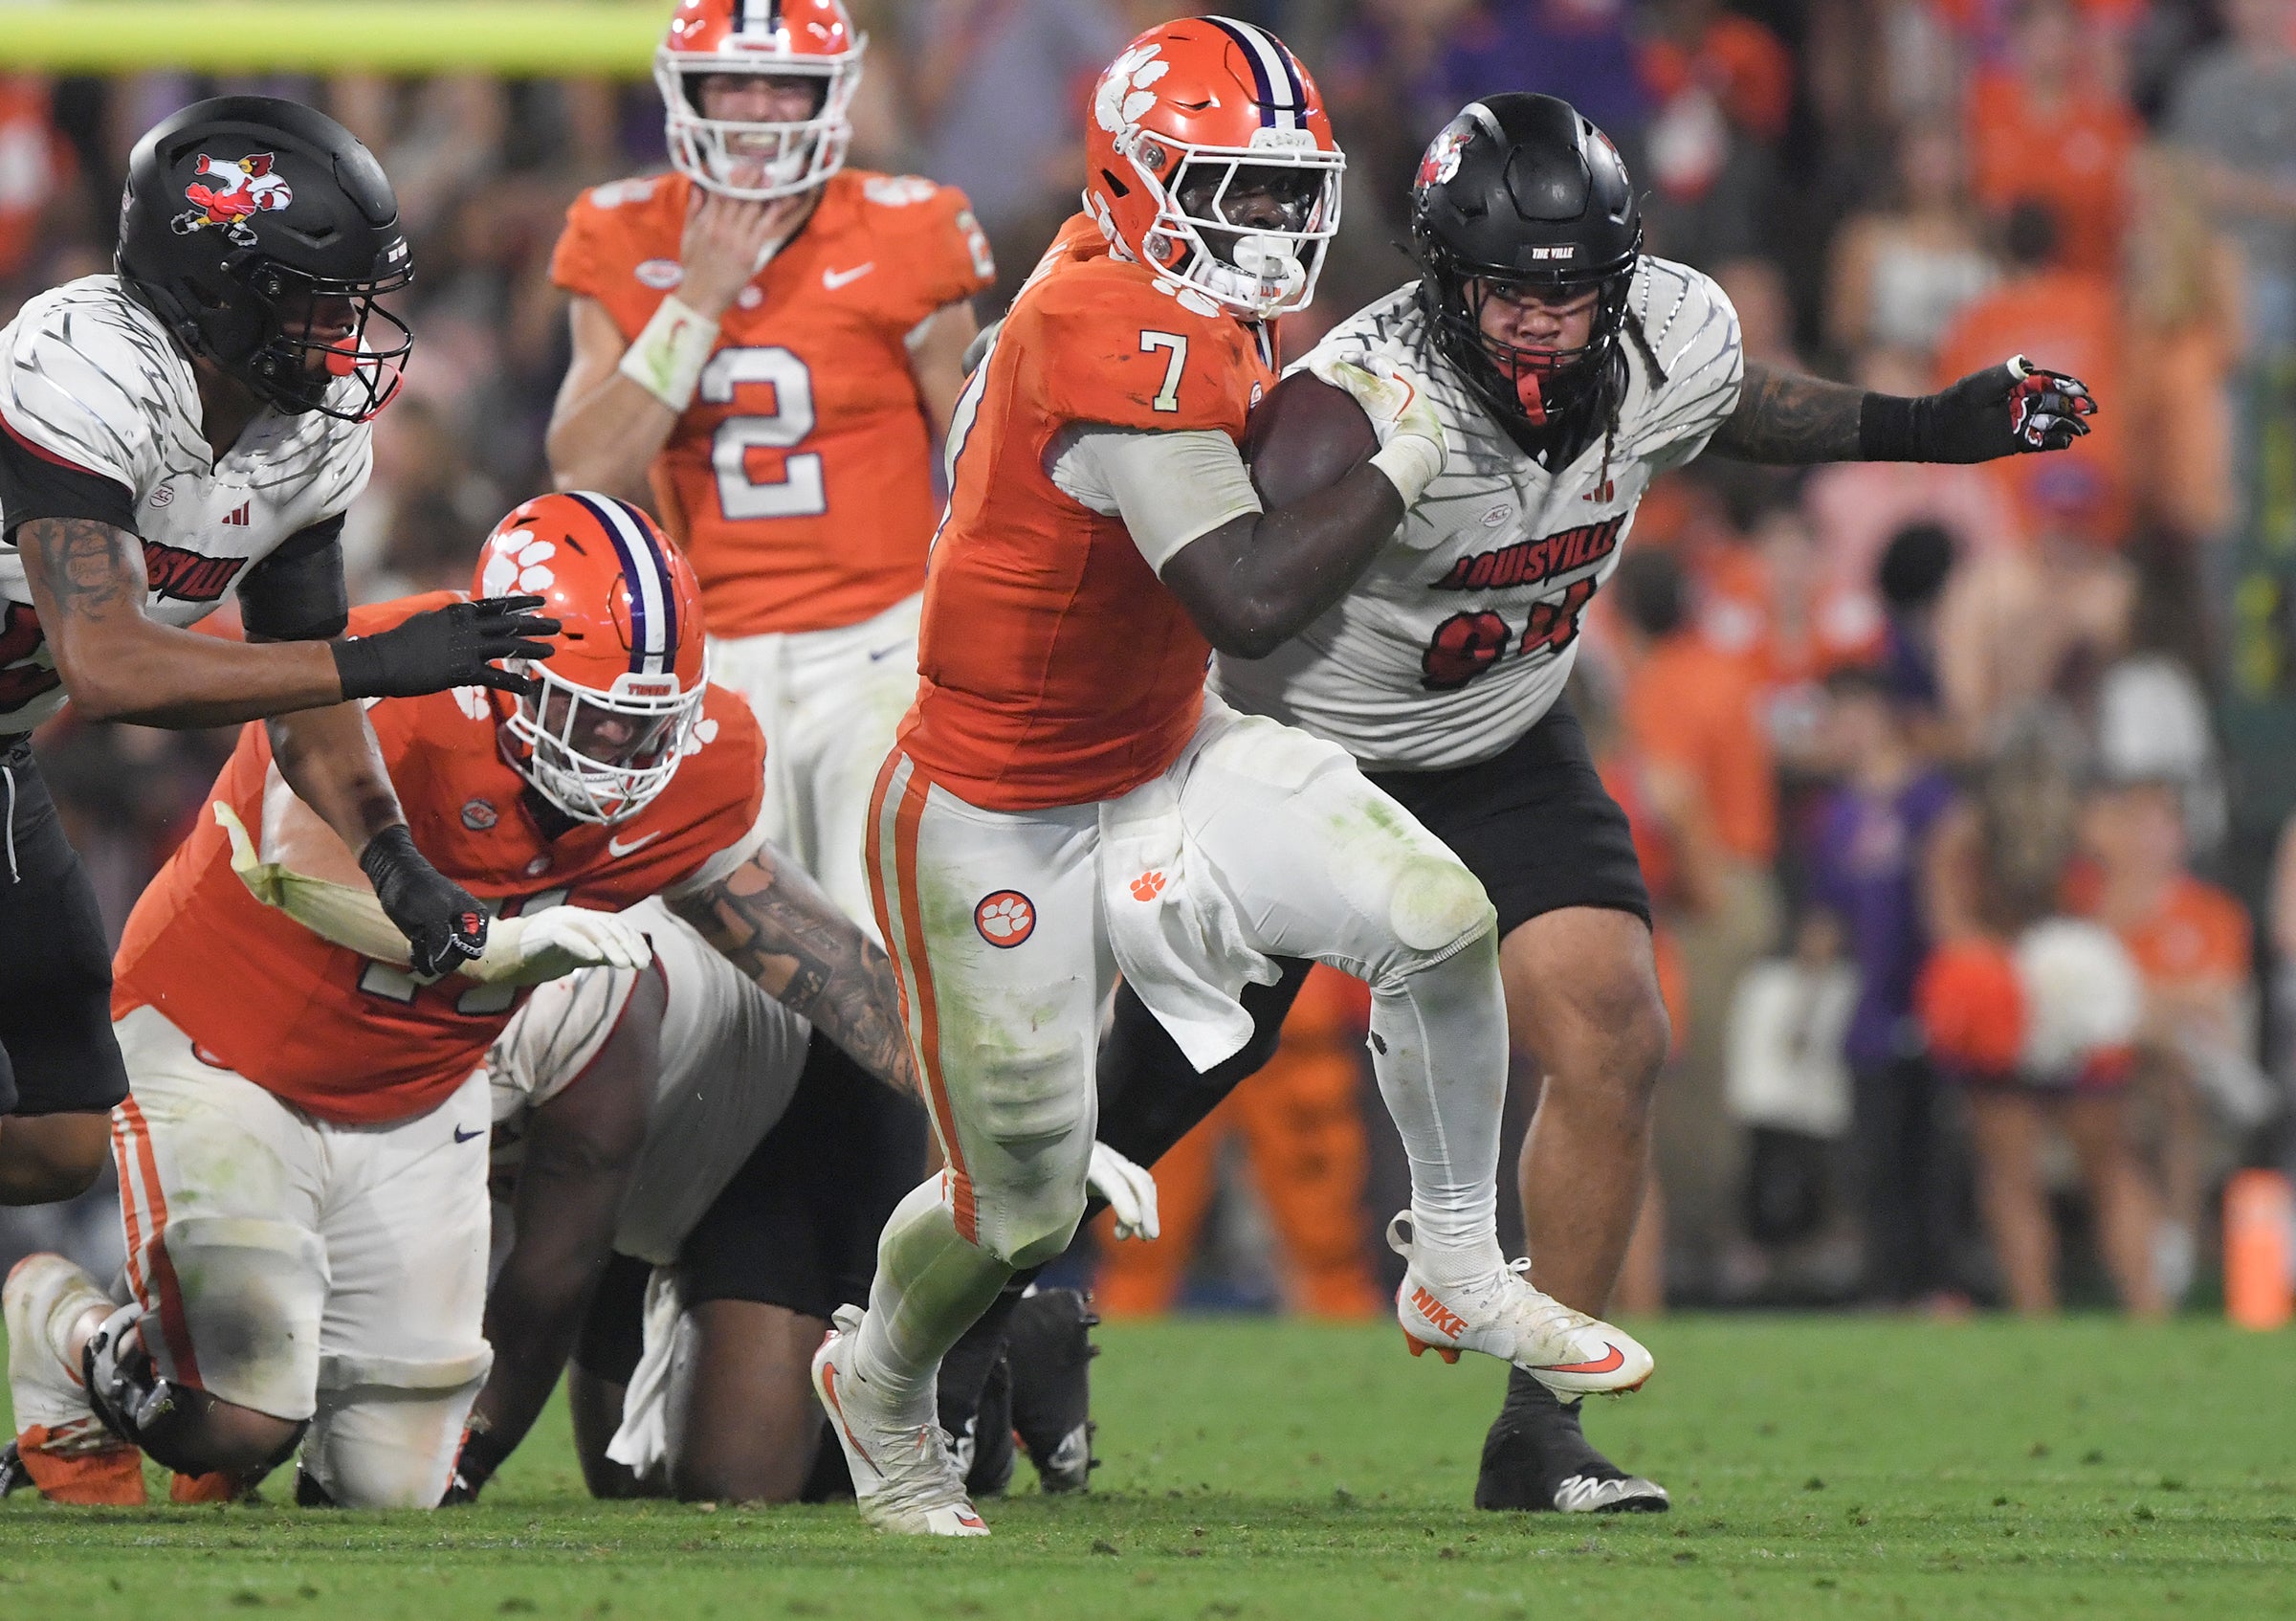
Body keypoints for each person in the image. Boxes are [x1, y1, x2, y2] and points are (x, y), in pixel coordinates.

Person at [1055, 92, 2100, 1516]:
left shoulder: (1668, 328)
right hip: (1310, 755)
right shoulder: (1350, 405)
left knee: (1616, 1026)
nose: (1547, 325)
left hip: (1503, 735)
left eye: (1574, 294)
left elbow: (1732, 406)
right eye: (1512, 294)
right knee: (1175, 1067)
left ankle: (1541, 1428)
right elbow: (1231, 598)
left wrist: (1931, 426)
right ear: (1445, 277)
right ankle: (987, 1308)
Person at [811, 18, 1655, 1541]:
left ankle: (1458, 1261)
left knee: (1438, 917)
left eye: (1282, 189)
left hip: (1163, 746)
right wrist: (1406, 459)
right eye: (1230, 188)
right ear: (1131, 180)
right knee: (1018, 1204)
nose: (1264, 220)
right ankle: (877, 1378)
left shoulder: (1161, 286)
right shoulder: (1110, 320)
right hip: (996, 805)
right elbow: (1250, 597)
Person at [0, 492, 914, 1509]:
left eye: (650, 722)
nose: (623, 752)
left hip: (418, 1090)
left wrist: (986, 1113)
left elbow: (818, 955)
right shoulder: (384, 676)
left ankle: (234, 1391)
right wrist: (501, 944)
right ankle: (67, 1332)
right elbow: (306, 876)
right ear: (509, 676)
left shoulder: (699, 764)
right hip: (227, 1048)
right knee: (237, 1416)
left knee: (389, 1490)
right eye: (595, 716)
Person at [0, 99, 559, 1211]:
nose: (348, 336)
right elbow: (109, 664)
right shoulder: (80, 367)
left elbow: (302, 678)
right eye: (317, 302)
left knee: (63, 1138)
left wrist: (393, 859)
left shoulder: (308, 432)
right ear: (218, 292)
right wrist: (377, 660)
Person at [454, 898, 1156, 1505]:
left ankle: (1007, 1365)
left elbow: (549, 1278)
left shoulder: (583, 1002)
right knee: (629, 1481)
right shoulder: (419, 976)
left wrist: (464, 1462)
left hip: (779, 1127)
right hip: (639, 1170)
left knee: (737, 1480)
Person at [543, 0, 995, 934]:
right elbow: (583, 469)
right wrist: (697, 298)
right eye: (734, 81)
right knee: (703, 951)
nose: (757, 108)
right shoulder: (621, 229)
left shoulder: (910, 226)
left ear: (831, 95)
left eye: (784, 84)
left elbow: (981, 458)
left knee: (886, 930)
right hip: (705, 656)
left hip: (881, 642)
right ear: (687, 90)